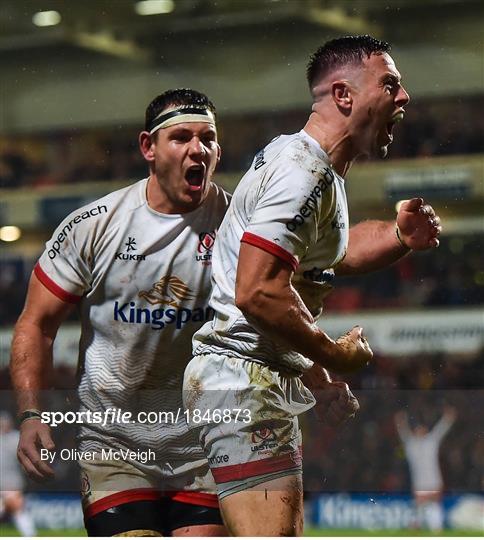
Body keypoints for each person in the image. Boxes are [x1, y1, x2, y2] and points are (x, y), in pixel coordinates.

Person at [182, 35, 442, 536]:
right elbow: (257, 290)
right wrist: (333, 355)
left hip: (244, 380)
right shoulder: (302, 173)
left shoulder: (318, 173)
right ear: (344, 95)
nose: (404, 97)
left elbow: (327, 260)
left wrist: (396, 236)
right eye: (391, 83)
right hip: (242, 383)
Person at [10, 88, 232, 537]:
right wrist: (32, 414)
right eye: (182, 137)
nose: (197, 149)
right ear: (148, 147)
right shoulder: (93, 226)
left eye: (207, 138)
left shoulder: (236, 223)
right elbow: (37, 324)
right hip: (114, 442)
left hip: (206, 443)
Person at [395, 406, 457, 531]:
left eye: (423, 429)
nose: (421, 431)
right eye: (418, 429)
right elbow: (403, 432)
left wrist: (448, 418)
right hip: (420, 483)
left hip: (434, 481)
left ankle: (435, 529)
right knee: (420, 507)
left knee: (433, 506)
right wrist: (400, 421)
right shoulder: (411, 445)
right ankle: (416, 526)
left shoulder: (431, 442)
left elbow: (441, 430)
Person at [0, 411, 37, 537]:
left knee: (17, 508)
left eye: (4, 423)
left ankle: (30, 535)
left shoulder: (16, 438)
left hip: (11, 481)